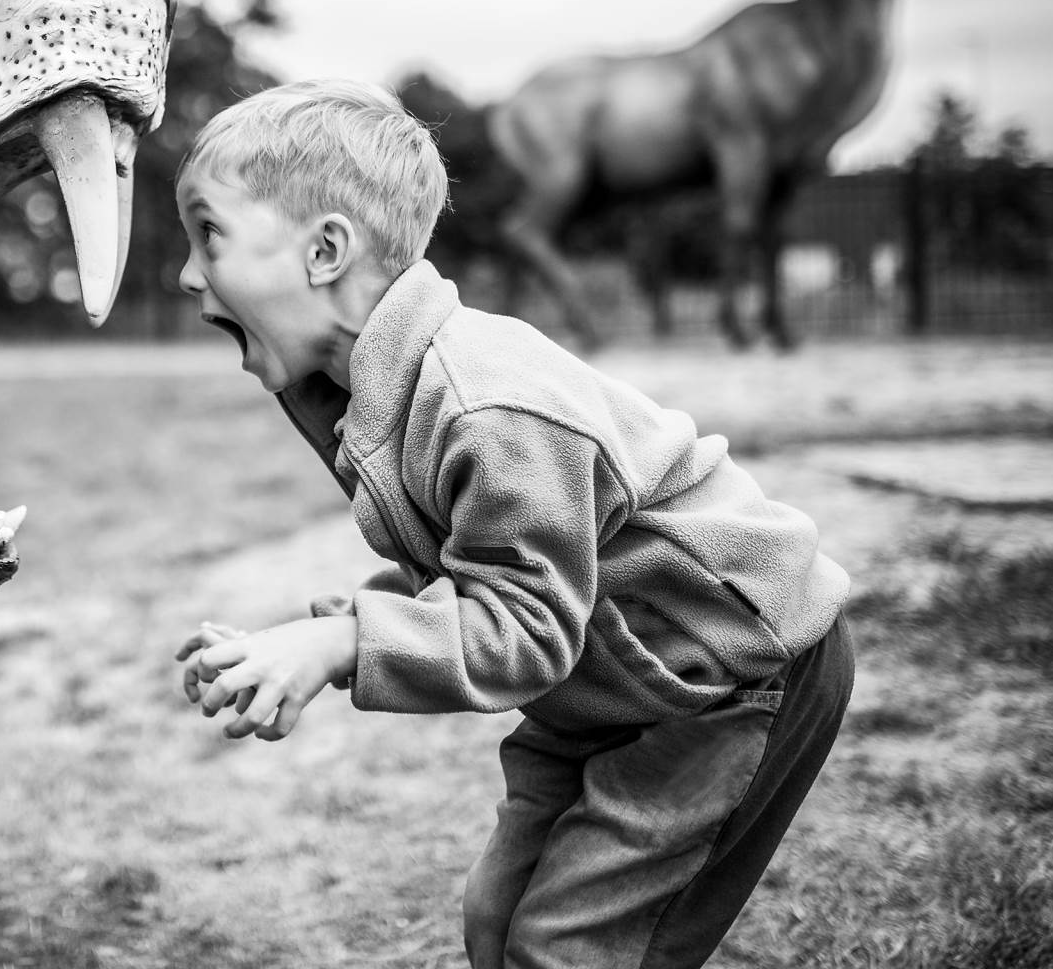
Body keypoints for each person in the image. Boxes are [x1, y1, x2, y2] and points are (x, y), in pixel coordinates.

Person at [170, 78, 853, 968]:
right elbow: (480, 574)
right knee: (497, 919)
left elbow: (527, 629)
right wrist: (326, 633)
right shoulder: (377, 393)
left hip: (728, 676)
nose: (186, 275)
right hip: (611, 682)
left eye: (208, 235)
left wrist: (345, 648)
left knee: (569, 947)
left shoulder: (485, 404)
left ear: (324, 251)